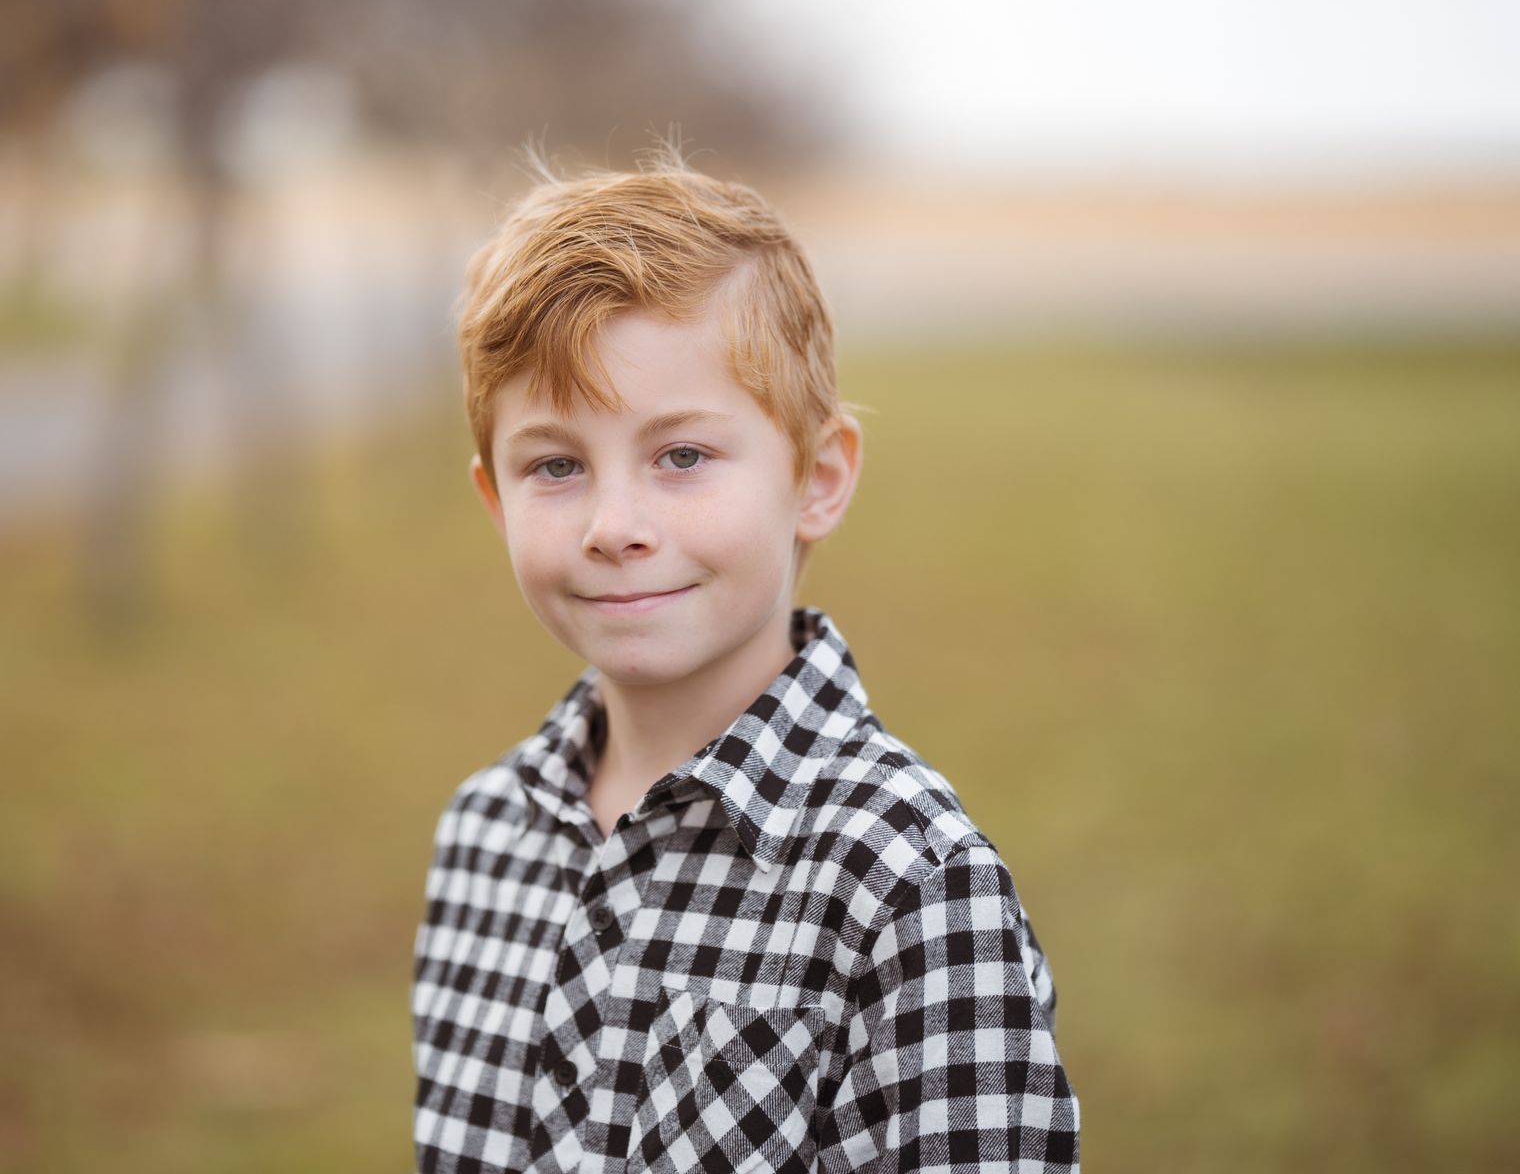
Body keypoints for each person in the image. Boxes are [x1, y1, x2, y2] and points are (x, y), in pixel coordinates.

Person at [411, 145, 1080, 1173]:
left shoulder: (910, 886)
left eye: (682, 455)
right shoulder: (483, 836)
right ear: (494, 498)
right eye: (555, 465)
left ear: (816, 477)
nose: (615, 524)